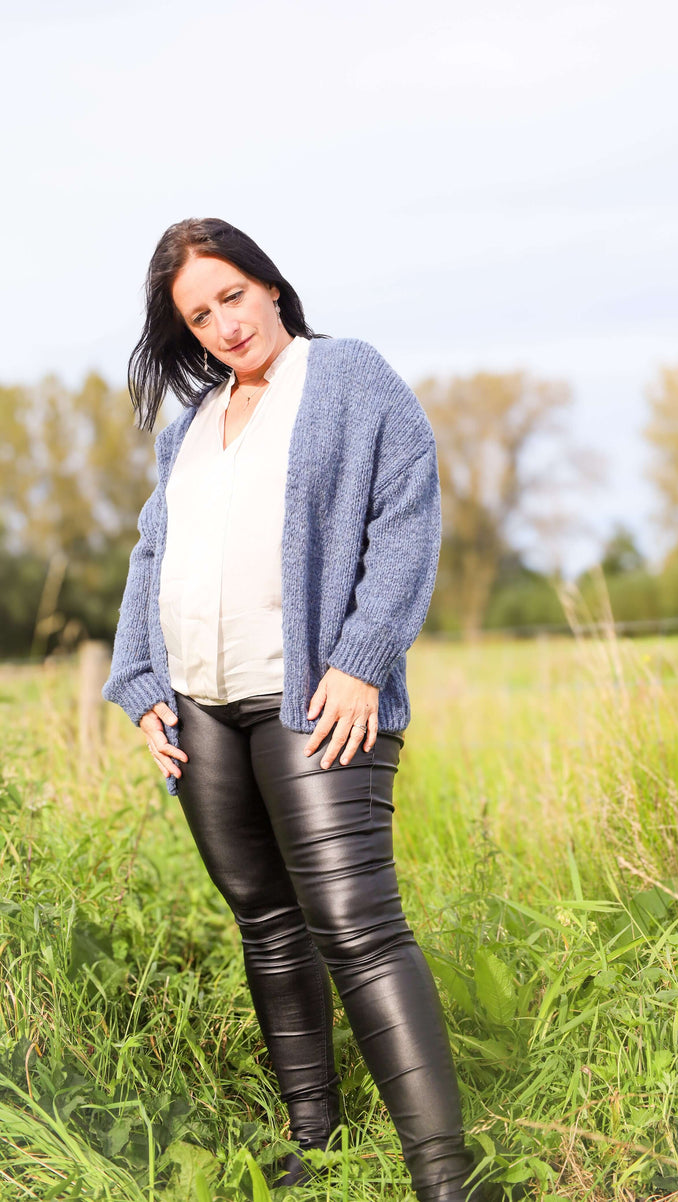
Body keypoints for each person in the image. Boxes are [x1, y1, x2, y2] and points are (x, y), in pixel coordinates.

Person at [102, 218, 484, 1201]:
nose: (223, 324)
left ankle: (448, 1179)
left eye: (231, 294)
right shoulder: (189, 424)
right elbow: (155, 550)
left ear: (269, 284)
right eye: (198, 314)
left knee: (357, 924)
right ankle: (316, 1140)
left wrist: (361, 657)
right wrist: (140, 678)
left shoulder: (344, 375)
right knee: (265, 921)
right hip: (199, 707)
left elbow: (406, 506)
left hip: (312, 695)